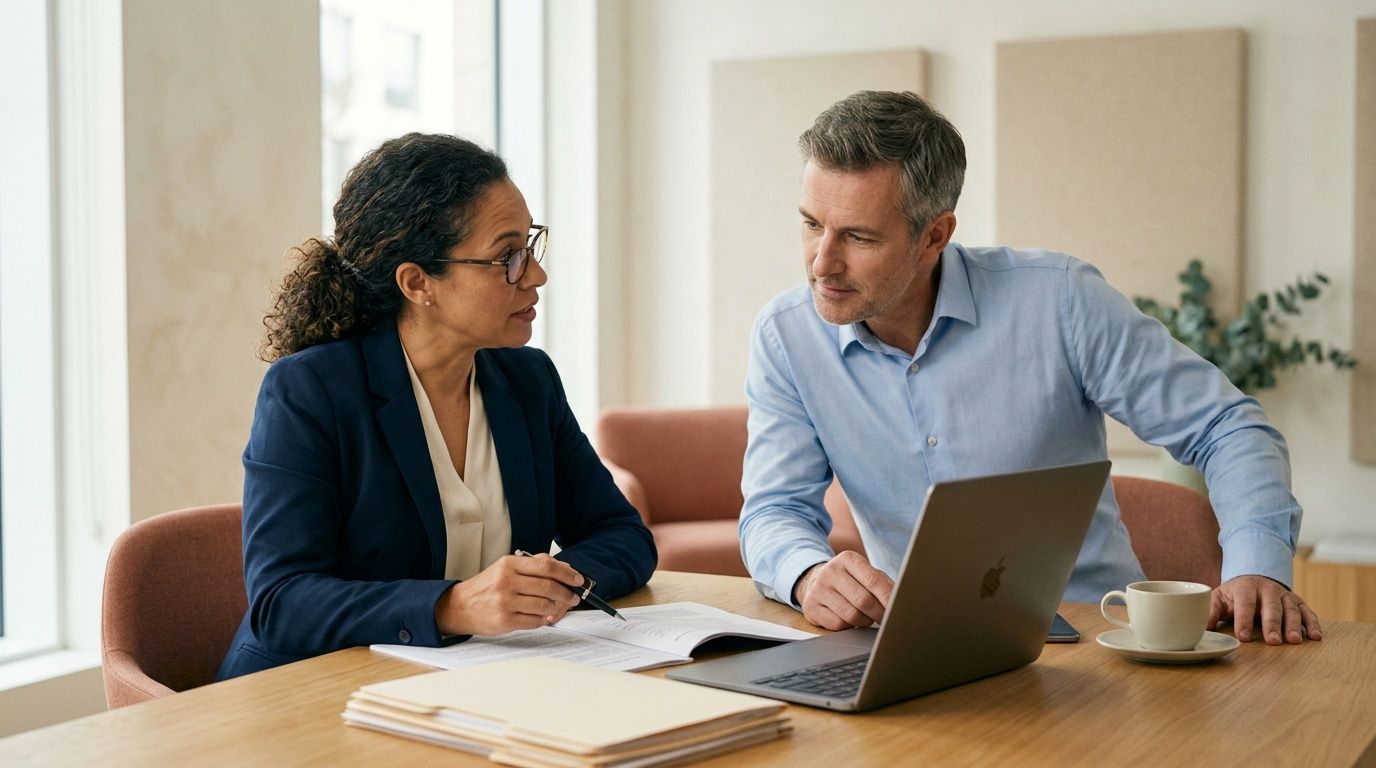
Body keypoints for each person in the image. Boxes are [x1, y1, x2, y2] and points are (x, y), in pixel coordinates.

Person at [738, 90, 1321, 646]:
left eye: (858, 236)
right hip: (914, 652)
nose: (821, 262)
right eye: (811, 223)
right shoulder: (786, 336)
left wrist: (1257, 567)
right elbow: (774, 509)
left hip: (1095, 642)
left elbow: (1227, 427)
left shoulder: (1060, 301)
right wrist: (807, 573)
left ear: (934, 235)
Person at [217, 133, 656, 680]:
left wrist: (543, 587)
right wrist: (453, 606)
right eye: (507, 258)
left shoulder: (528, 380)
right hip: (310, 695)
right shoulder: (310, 391)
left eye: (531, 246)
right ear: (418, 282)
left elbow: (623, 537)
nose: (536, 275)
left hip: (472, 684)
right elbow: (283, 601)